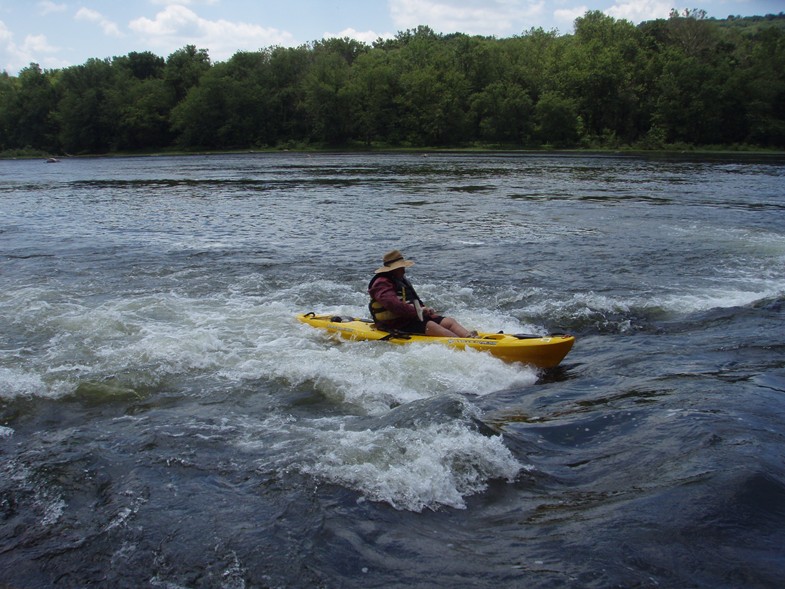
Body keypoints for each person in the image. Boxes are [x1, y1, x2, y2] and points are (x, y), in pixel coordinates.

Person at [368, 250, 477, 337]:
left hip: (411, 318)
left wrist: (424, 309)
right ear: (392, 269)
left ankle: (469, 338)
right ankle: (464, 344)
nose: (404, 270)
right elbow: (393, 305)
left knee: (449, 322)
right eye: (401, 267)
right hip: (395, 323)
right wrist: (418, 311)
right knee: (431, 326)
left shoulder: (400, 280)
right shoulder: (381, 283)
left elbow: (415, 301)